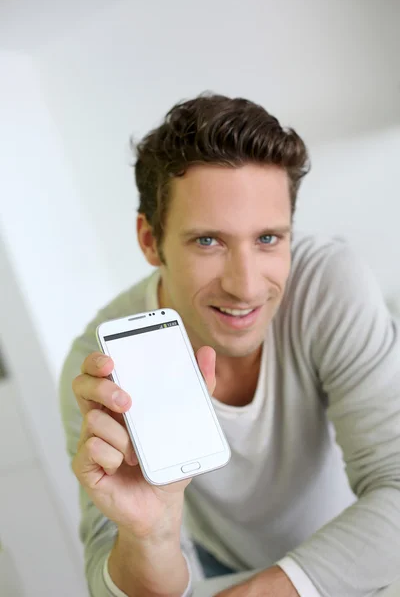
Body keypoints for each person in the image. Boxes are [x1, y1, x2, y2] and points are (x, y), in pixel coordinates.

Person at [60, 93, 400, 597]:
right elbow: (112, 582)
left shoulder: (327, 283)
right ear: (150, 240)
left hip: (353, 542)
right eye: (207, 241)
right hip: (224, 564)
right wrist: (150, 535)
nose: (245, 286)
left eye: (268, 239)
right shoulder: (102, 365)